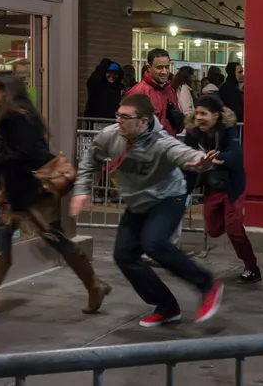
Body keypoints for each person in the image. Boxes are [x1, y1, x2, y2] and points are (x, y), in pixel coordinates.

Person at [0, 72, 110, 314]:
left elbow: (23, 154)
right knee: (2, 234)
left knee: (56, 239)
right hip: (17, 192)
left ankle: (95, 286)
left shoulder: (18, 117)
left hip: (33, 192)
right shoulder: (13, 114)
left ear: (5, 90)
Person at [70, 93, 224, 327]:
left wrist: (199, 161)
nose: (118, 121)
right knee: (124, 256)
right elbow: (90, 161)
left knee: (154, 243)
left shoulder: (161, 142)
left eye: (125, 117)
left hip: (167, 197)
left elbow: (183, 153)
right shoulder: (110, 136)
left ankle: (207, 285)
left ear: (143, 122)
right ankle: (167, 307)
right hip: (137, 202)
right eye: (117, 115)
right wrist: (81, 190)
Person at [184, 94, 260, 283]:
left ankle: (252, 267)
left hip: (231, 186)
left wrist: (216, 160)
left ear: (216, 115)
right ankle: (229, 221)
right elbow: (187, 160)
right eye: (197, 113)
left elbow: (235, 155)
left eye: (204, 113)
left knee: (234, 228)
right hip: (211, 187)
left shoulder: (228, 129)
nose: (199, 117)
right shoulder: (192, 133)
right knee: (213, 229)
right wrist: (184, 189)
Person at [125, 48, 182, 137]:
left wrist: (180, 122)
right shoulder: (138, 92)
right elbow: (128, 128)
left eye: (167, 67)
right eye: (159, 67)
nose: (164, 72)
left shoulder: (170, 91)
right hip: (146, 148)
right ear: (149, 68)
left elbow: (177, 128)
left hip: (168, 147)